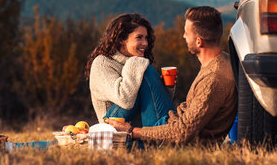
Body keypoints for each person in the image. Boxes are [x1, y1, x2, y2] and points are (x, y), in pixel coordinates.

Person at [101, 7, 237, 144]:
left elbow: (183, 132)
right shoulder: (221, 60)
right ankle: (106, 128)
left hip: (177, 144)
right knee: (145, 73)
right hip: (172, 123)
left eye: (186, 33)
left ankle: (104, 128)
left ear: (199, 42)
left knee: (145, 70)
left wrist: (132, 131)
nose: (183, 36)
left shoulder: (213, 78)